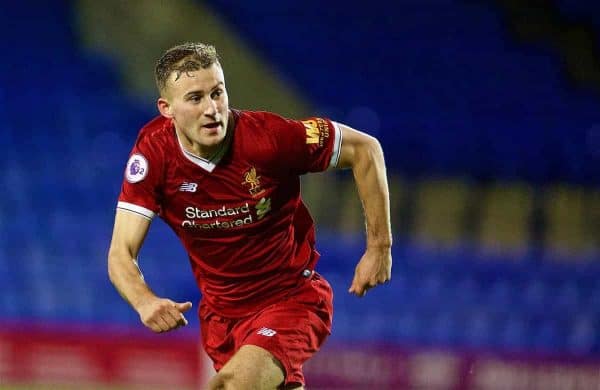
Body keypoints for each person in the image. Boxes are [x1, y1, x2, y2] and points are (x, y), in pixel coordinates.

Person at [107, 42, 392, 390]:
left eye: (218, 93)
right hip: (222, 321)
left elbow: (365, 149)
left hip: (291, 301)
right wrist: (144, 300)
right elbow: (121, 253)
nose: (212, 109)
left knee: (232, 386)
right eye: (195, 98)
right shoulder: (153, 157)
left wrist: (379, 247)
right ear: (167, 109)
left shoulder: (269, 139)